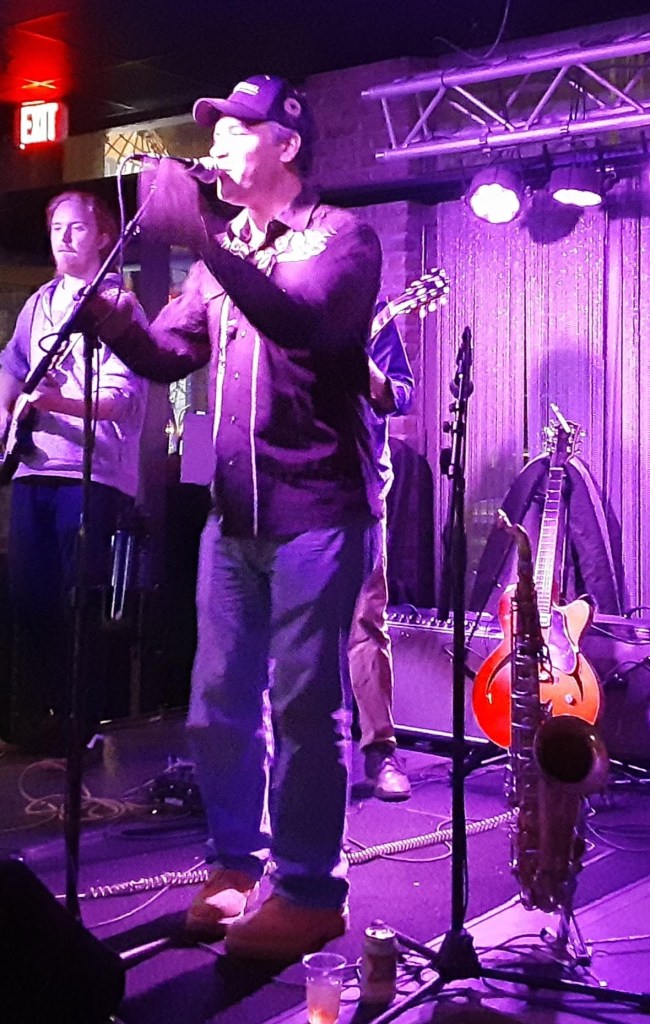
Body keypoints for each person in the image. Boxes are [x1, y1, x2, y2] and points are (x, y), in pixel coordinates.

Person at [86, 75, 382, 962]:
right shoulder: (226, 253)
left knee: (304, 707)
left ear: (285, 144)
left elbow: (301, 321)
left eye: (234, 131)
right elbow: (172, 354)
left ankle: (309, 891)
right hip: (233, 518)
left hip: (318, 509)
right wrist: (116, 322)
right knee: (217, 705)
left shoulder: (341, 237)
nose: (213, 144)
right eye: (211, 131)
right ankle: (232, 864)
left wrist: (203, 242)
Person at [0, 191, 148, 757]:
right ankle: (30, 719)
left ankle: (77, 723)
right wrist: (7, 414)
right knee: (28, 597)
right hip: (33, 468)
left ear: (104, 237)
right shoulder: (39, 302)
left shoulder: (118, 306)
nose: (63, 238)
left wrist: (54, 402)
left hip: (90, 473)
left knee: (77, 601)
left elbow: (121, 400)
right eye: (57, 227)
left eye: (77, 228)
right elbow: (12, 366)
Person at [348, 307, 414, 800]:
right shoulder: (282, 302)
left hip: (361, 486)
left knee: (366, 619)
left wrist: (365, 367)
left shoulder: (373, 310)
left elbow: (402, 393)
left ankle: (380, 751)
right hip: (294, 488)